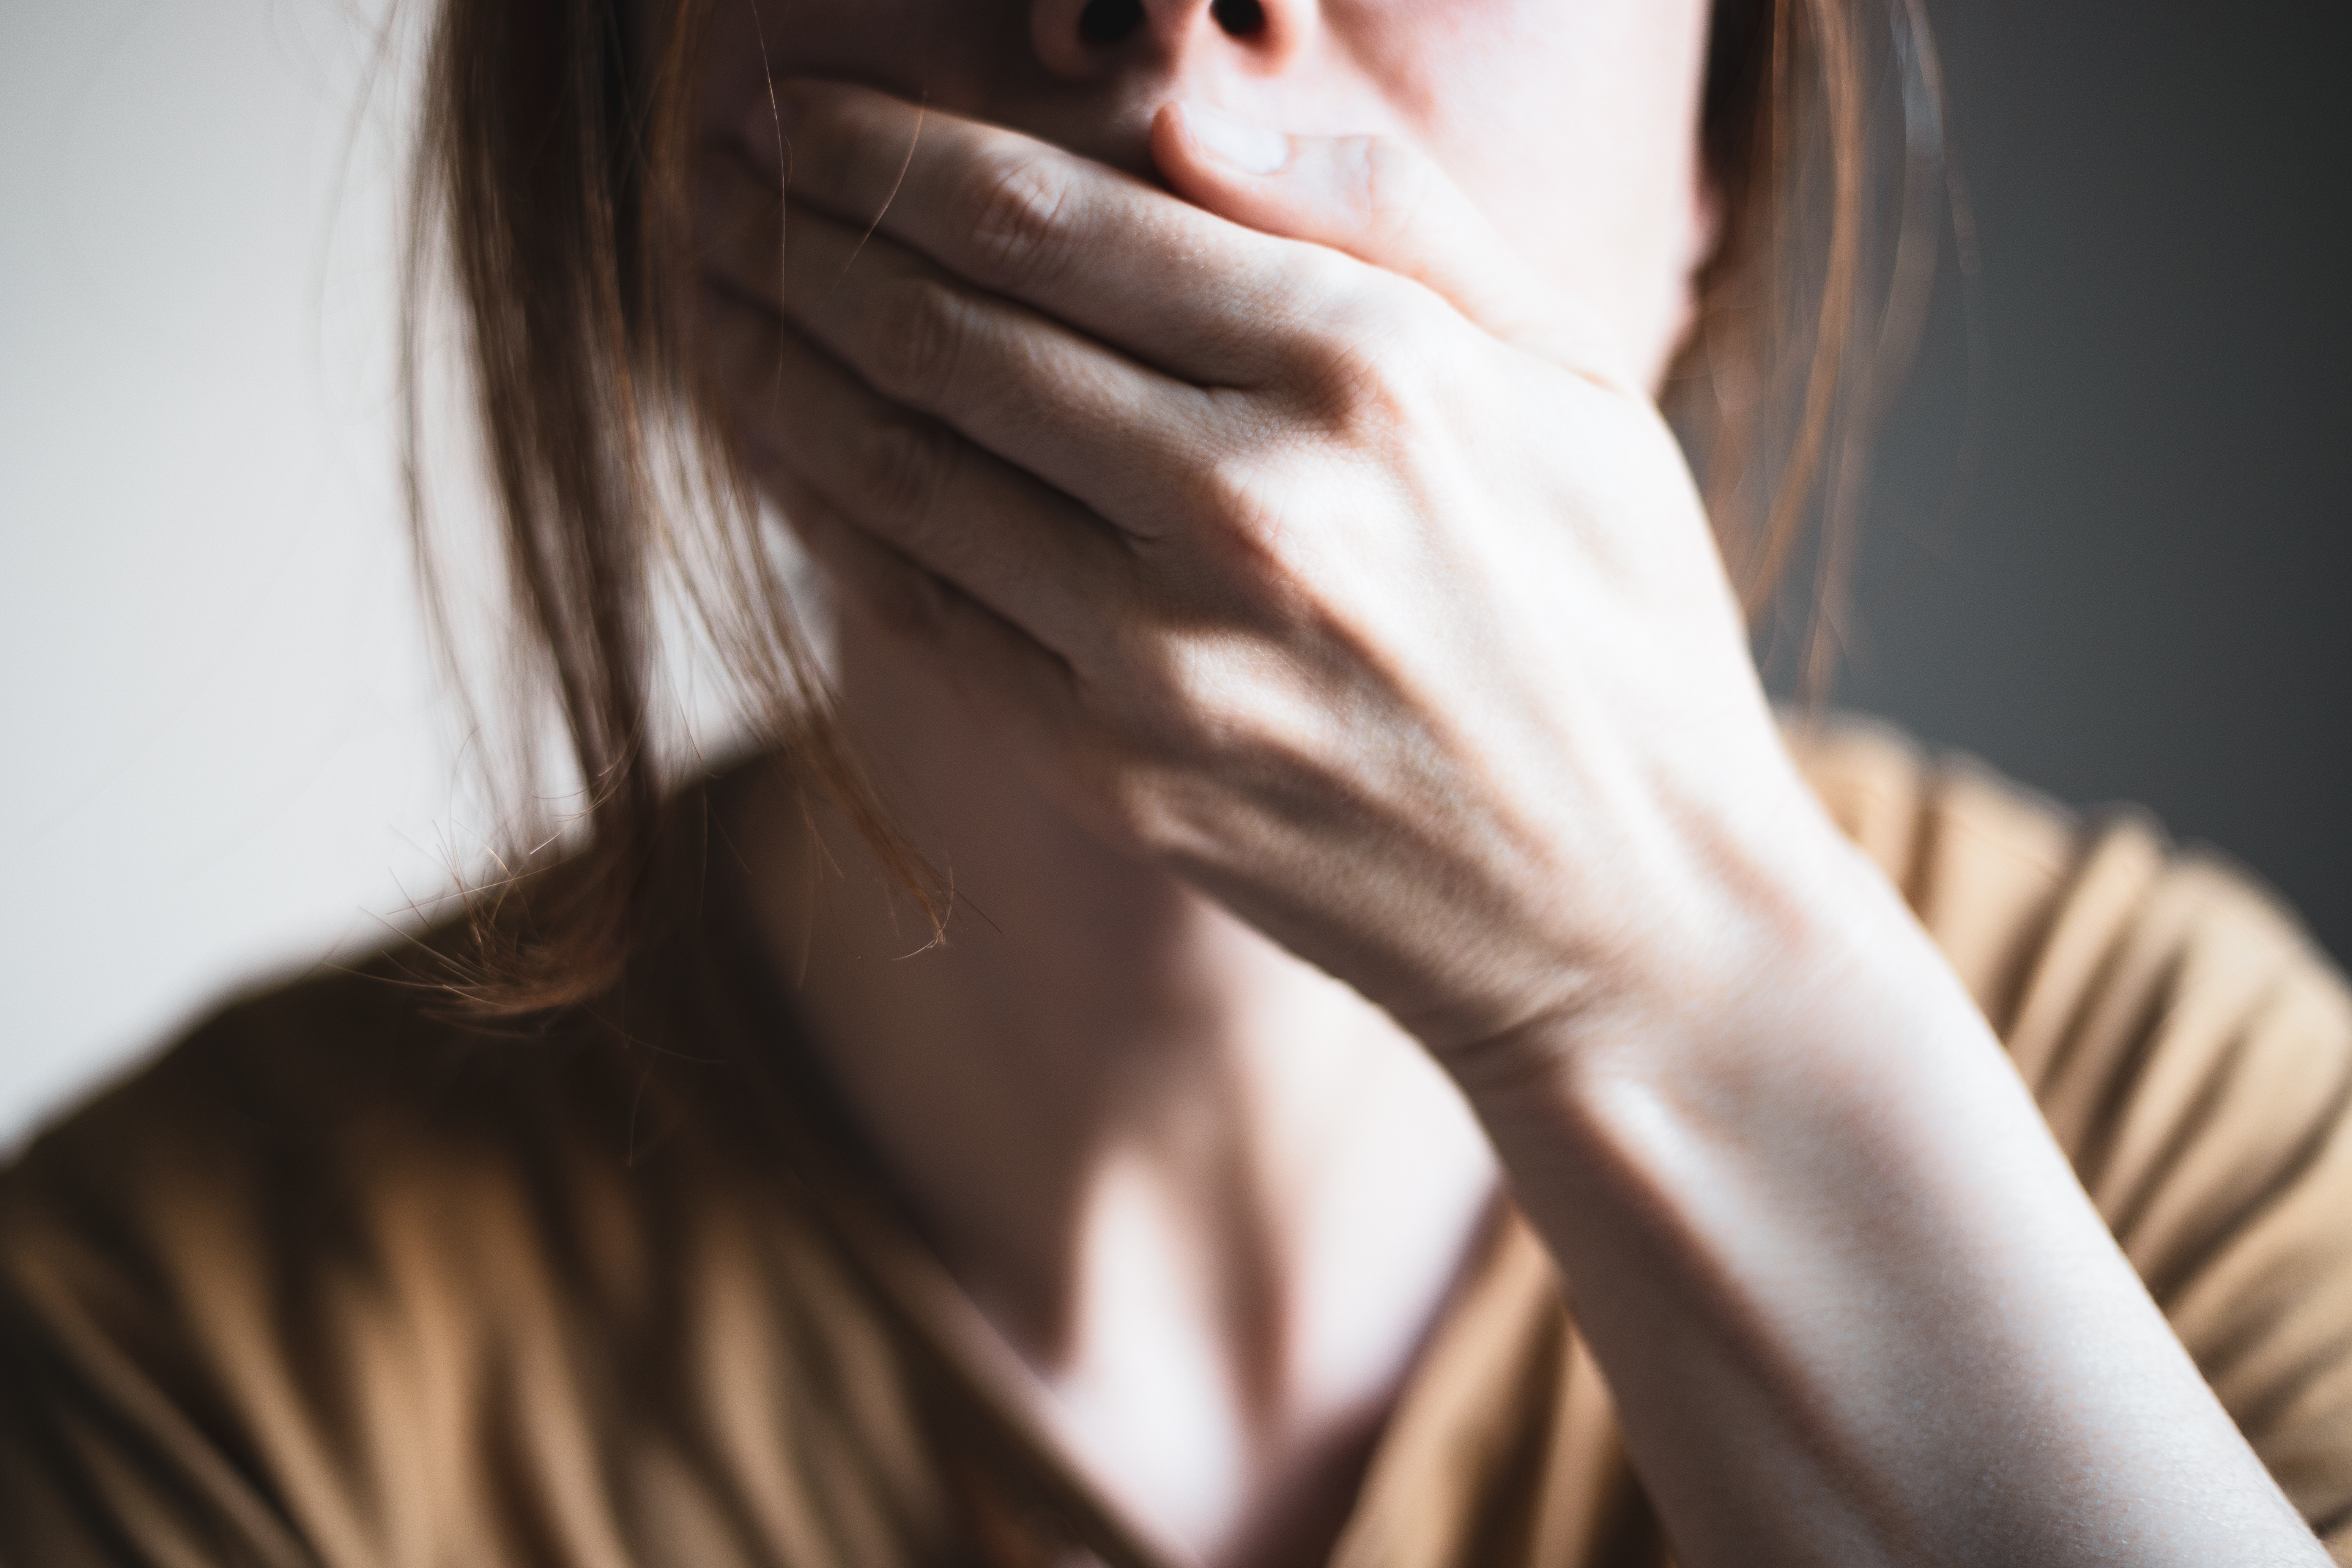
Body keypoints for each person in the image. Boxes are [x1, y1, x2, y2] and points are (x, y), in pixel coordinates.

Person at [4, 1, 2349, 1563]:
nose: (1166, 22)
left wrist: (1677, 999)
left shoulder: (2158, 1132)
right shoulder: (188, 1342)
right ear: (632, 98)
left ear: (1725, 131)